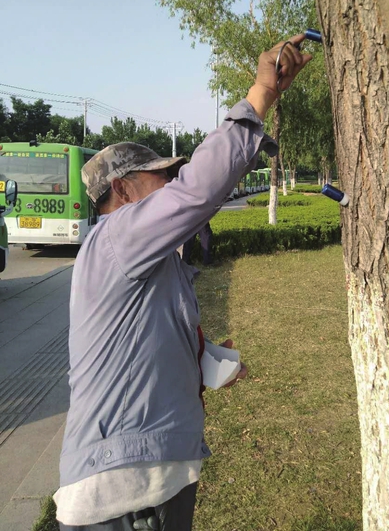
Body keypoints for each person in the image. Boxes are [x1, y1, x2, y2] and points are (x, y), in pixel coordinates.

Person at [54, 35, 312, 531]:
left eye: (174, 175)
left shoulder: (149, 260)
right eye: (162, 177)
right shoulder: (116, 236)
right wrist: (261, 95)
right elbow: (199, 190)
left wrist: (203, 357)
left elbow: (140, 346)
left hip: (151, 487)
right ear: (122, 189)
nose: (173, 185)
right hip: (120, 500)